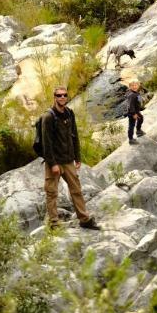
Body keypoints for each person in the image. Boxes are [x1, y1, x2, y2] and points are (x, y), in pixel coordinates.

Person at [41, 87, 98, 229]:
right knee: (52, 193)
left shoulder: (69, 113)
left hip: (68, 161)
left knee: (76, 190)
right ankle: (53, 223)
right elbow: (46, 143)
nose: (62, 97)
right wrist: (53, 164)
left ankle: (84, 219)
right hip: (54, 162)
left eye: (64, 95)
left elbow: (75, 136)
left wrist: (77, 157)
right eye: (59, 95)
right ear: (54, 97)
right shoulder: (48, 117)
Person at [126, 79, 145, 144]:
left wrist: (141, 107)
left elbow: (138, 101)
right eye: (132, 86)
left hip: (137, 111)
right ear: (130, 87)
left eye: (136, 85)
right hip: (132, 113)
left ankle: (138, 131)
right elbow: (130, 105)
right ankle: (130, 139)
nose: (134, 87)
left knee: (141, 118)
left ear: (138, 85)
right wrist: (134, 114)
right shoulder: (131, 95)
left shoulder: (136, 92)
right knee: (131, 125)